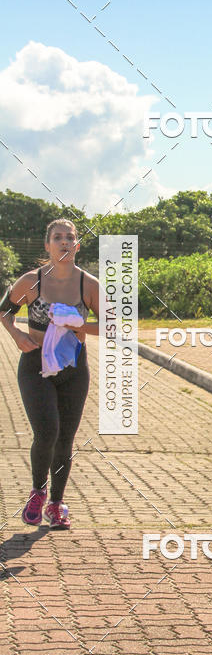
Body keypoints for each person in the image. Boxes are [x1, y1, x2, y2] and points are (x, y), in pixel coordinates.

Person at [0, 219, 99, 529]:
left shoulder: (89, 284)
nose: (64, 242)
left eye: (70, 237)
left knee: (65, 439)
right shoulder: (30, 281)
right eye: (57, 237)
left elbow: (113, 325)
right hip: (35, 367)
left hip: (73, 369)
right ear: (47, 245)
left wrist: (78, 325)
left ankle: (56, 504)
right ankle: (37, 492)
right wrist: (17, 336)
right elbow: (4, 311)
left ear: (77, 245)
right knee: (47, 432)